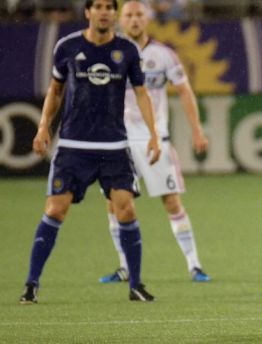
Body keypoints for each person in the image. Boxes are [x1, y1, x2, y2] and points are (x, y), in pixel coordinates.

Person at [20, 0, 160, 304]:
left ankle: (135, 285)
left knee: (126, 209)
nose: (105, 11)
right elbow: (55, 91)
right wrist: (44, 126)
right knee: (55, 210)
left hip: (113, 147)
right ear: (88, 12)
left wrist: (153, 135)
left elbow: (141, 93)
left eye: (110, 6)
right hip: (73, 146)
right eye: (98, 6)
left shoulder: (127, 50)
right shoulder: (67, 47)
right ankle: (31, 284)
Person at [98, 0, 210, 284]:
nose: (134, 20)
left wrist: (197, 129)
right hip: (118, 142)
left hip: (154, 139)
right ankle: (124, 266)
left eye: (139, 15)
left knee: (171, 202)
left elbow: (184, 91)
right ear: (120, 21)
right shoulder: (110, 53)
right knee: (115, 204)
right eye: (129, 15)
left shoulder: (164, 55)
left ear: (147, 19)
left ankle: (194, 265)